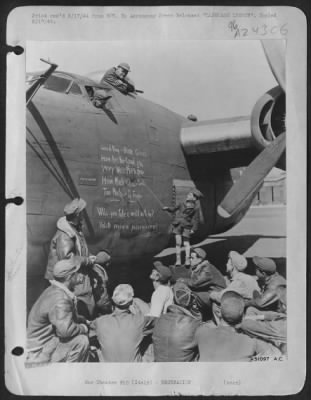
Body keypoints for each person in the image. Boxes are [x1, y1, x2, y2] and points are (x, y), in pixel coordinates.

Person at [45, 198, 110, 319]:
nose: (85, 214)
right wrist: (87, 260)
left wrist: (90, 257)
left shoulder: (74, 228)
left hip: (77, 270)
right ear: (78, 214)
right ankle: (85, 321)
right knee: (84, 296)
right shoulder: (65, 234)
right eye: (83, 211)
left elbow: (81, 250)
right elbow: (67, 259)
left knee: (90, 289)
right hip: (69, 275)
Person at [26, 257, 90, 364]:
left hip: (42, 343)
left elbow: (61, 317)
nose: (78, 275)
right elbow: (66, 331)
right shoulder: (60, 298)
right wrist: (84, 328)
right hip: (39, 351)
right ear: (70, 277)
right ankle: (67, 374)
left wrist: (82, 319)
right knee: (82, 341)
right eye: (76, 273)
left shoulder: (53, 290)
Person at [195, 291, 281, 361]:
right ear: (243, 316)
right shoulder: (251, 343)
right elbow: (277, 357)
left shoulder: (202, 332)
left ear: (219, 312)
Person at [94, 284, 155, 362]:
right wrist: (139, 310)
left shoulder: (99, 321)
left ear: (112, 300)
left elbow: (88, 327)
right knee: (150, 343)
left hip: (109, 370)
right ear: (131, 302)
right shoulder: (139, 320)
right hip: (133, 370)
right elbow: (159, 322)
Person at [152, 282, 202, 362]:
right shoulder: (195, 325)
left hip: (159, 370)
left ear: (173, 300)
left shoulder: (159, 320)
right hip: (182, 372)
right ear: (191, 303)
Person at [210, 251, 260, 322]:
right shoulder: (248, 277)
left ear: (232, 267)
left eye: (228, 263)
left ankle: (224, 328)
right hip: (251, 308)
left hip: (245, 312)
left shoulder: (239, 281)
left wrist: (212, 294)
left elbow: (222, 297)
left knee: (216, 305)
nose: (226, 264)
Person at [181, 247, 226, 320]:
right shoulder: (199, 267)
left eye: (192, 258)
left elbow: (195, 283)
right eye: (190, 257)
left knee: (191, 295)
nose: (190, 260)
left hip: (218, 295)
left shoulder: (207, 269)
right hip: (210, 292)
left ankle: (196, 318)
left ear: (200, 259)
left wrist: (183, 280)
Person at [241, 286, 287, 354]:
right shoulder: (286, 317)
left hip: (279, 355)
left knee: (256, 340)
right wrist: (262, 317)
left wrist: (258, 317)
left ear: (284, 306)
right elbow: (253, 310)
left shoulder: (281, 325)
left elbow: (246, 325)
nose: (278, 306)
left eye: (279, 302)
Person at [162, 190, 202, 267]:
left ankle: (187, 260)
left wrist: (194, 229)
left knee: (186, 243)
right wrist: (167, 208)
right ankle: (178, 260)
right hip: (178, 225)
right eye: (189, 194)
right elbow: (174, 209)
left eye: (190, 195)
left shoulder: (196, 207)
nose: (188, 195)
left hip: (187, 226)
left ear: (194, 198)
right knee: (178, 243)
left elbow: (196, 219)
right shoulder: (181, 203)